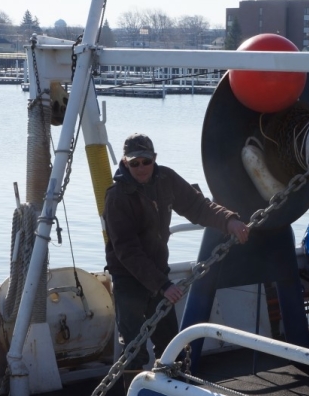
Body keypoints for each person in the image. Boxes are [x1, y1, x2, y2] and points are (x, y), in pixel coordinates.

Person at [103, 133, 250, 369]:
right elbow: (127, 251)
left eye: (146, 161)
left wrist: (229, 220)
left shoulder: (166, 179)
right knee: (133, 350)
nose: (141, 168)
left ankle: (171, 391)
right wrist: (162, 285)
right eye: (134, 163)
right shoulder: (117, 197)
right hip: (129, 279)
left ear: (154, 159)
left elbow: (197, 206)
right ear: (124, 163)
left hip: (159, 276)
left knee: (171, 345)